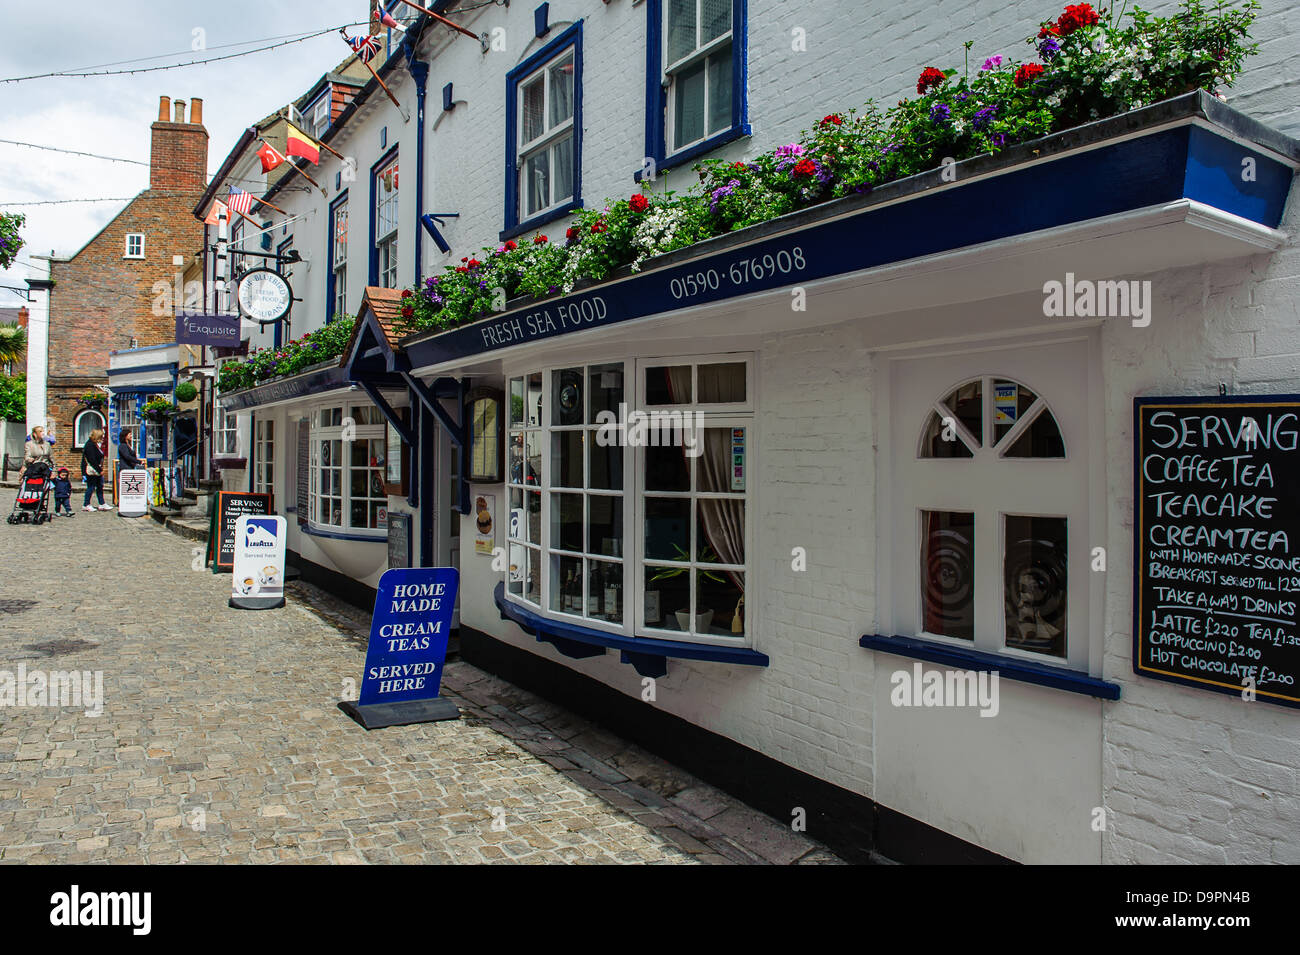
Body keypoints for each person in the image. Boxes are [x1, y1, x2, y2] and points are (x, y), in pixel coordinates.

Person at [82, 427, 111, 512]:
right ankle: (86, 504)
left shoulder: (95, 444)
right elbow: (92, 460)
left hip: (97, 469)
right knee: (91, 487)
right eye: (100, 437)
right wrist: (99, 470)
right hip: (92, 470)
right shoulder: (89, 445)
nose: (102, 439)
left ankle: (102, 503)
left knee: (100, 487)